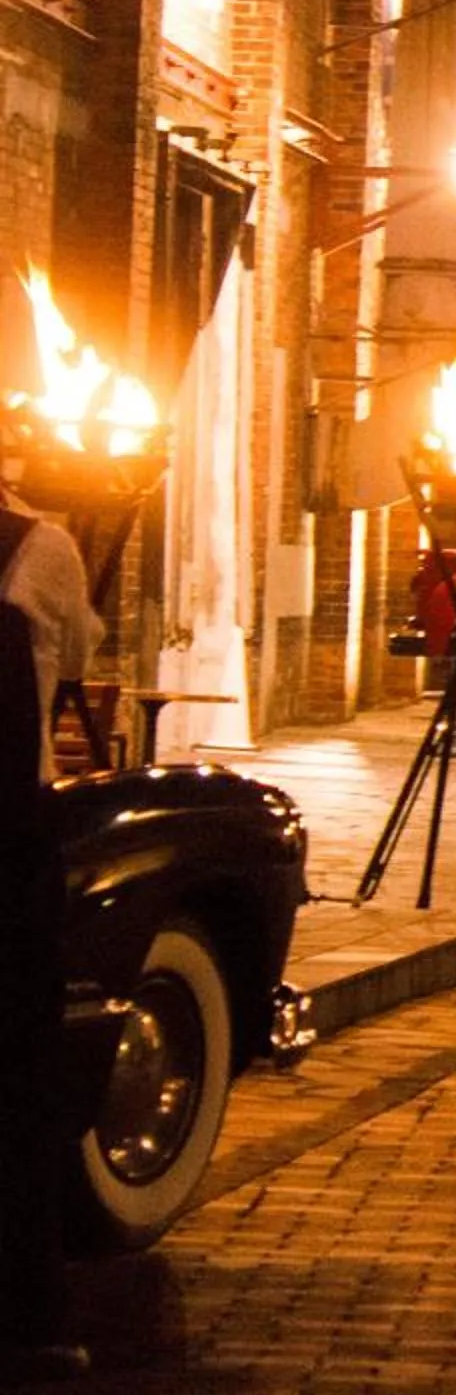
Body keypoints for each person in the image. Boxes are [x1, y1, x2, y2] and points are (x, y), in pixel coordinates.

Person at [0, 484, 99, 1380]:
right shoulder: (42, 548)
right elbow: (75, 661)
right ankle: (29, 1309)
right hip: (6, 839)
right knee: (19, 1078)